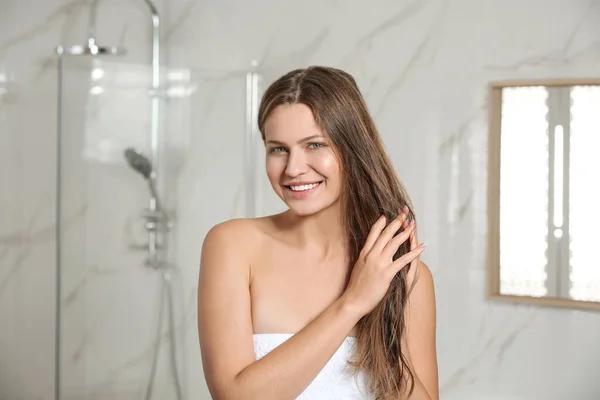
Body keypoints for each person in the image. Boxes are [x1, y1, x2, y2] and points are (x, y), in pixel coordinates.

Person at [197, 66, 438, 400]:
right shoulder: (234, 246)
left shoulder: (400, 273)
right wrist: (353, 303)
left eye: (314, 145)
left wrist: (384, 319)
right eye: (278, 148)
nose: (293, 168)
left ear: (352, 150)